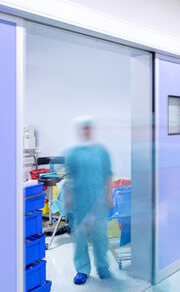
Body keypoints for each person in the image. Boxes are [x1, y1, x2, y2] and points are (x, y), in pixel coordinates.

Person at [62, 116, 113, 285]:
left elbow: (108, 174)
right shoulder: (73, 152)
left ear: (92, 129)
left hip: (98, 201)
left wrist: (109, 195)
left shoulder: (101, 150)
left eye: (89, 127)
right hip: (79, 202)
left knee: (100, 237)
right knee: (80, 239)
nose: (86, 131)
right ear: (79, 130)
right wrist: (68, 199)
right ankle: (82, 270)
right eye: (83, 128)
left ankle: (103, 267)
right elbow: (69, 178)